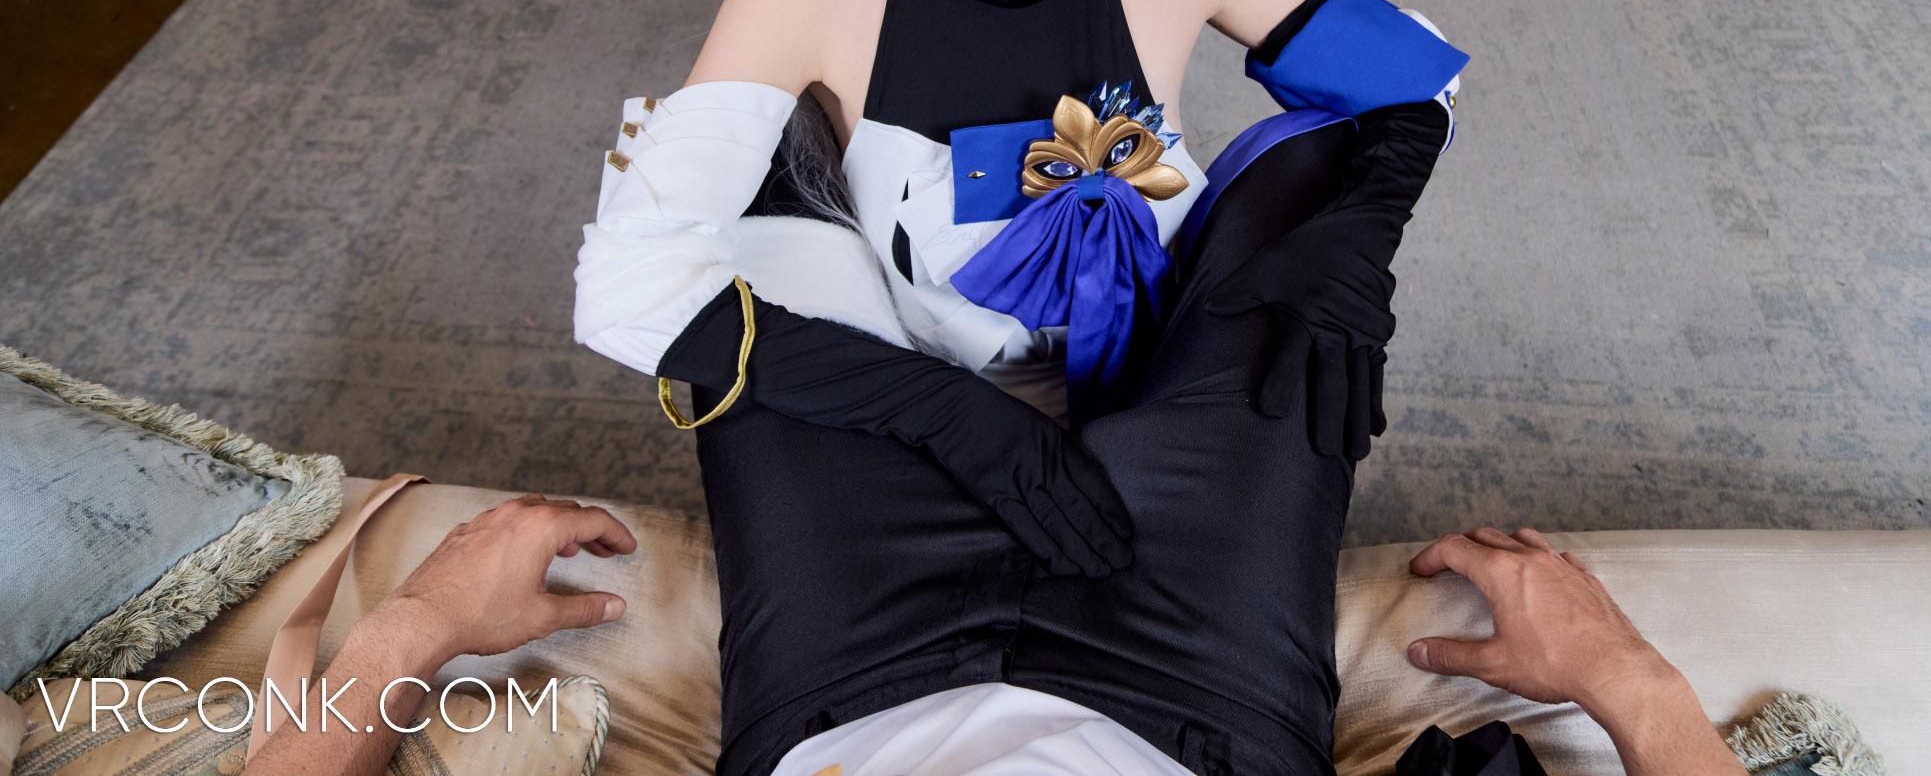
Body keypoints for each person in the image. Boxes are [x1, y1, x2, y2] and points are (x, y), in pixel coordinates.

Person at [567, 0, 1490, 772]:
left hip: (1164, 375)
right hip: (896, 387)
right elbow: (627, 281)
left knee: (1314, 176)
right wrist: (940, 413)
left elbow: (1411, 85)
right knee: (749, 247)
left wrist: (1348, 258)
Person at [241, 495, 1748, 775]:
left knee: (769, 245)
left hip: (826, 694)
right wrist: (1625, 678)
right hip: (1206, 707)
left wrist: (417, 624)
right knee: (1309, 229)